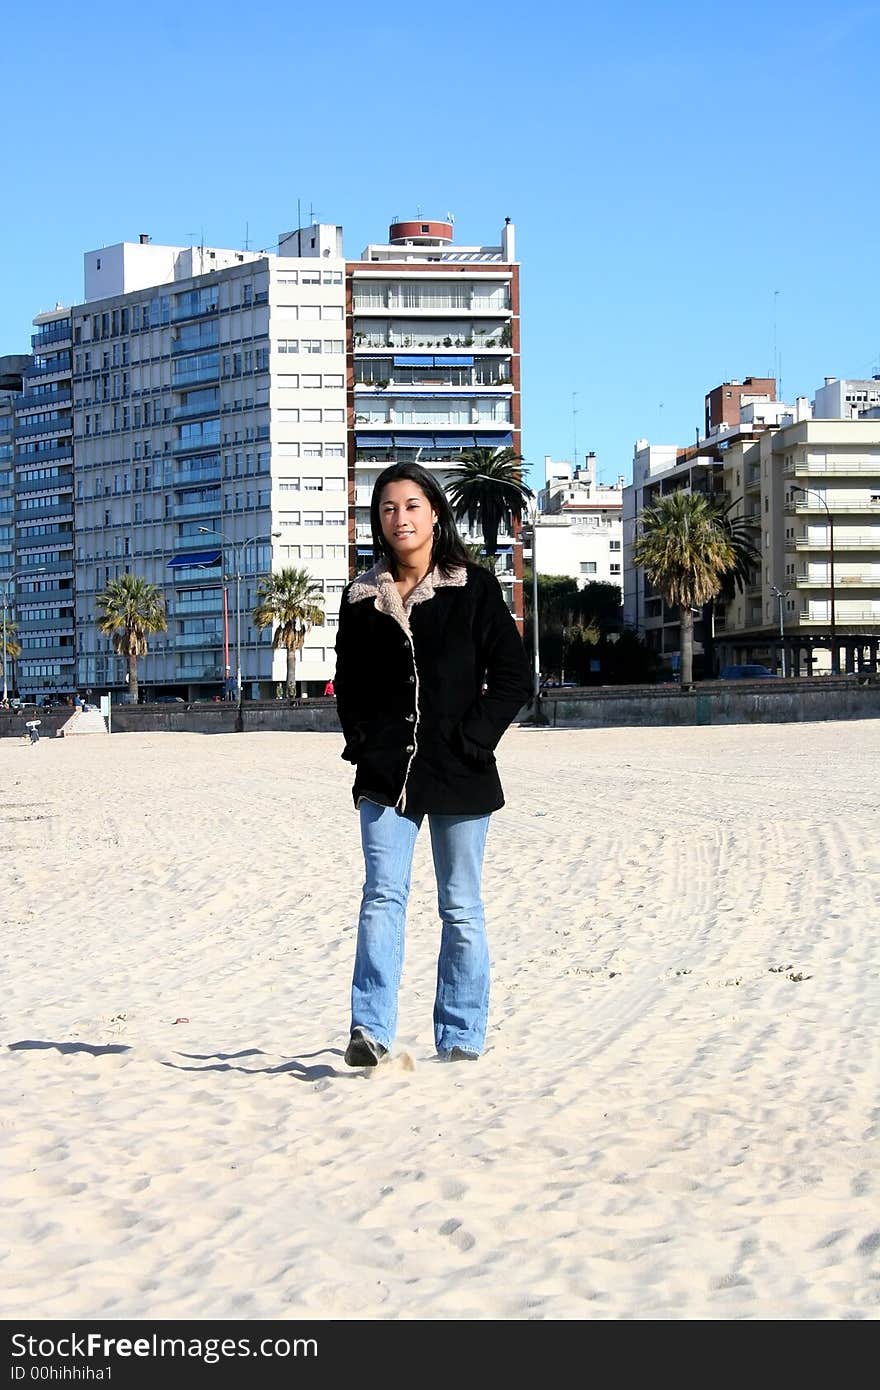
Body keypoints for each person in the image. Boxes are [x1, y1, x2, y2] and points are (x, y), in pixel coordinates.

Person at [334, 461, 531, 1066]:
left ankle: (462, 1035)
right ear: (378, 521)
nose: (401, 518)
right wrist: (366, 745)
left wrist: (474, 739)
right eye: (388, 508)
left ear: (435, 514)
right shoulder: (361, 598)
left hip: (461, 769)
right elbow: (351, 686)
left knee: (460, 906)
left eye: (412, 505)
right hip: (386, 774)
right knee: (382, 898)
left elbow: (512, 676)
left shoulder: (472, 587)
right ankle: (370, 1030)